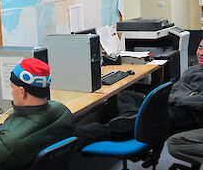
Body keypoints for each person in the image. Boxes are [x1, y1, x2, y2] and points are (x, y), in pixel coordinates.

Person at [75, 39, 203, 147]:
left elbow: (198, 102)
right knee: (126, 95)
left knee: (107, 129)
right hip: (168, 105)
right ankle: (132, 118)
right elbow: (176, 89)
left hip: (186, 113)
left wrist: (169, 99)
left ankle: (79, 136)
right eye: (200, 48)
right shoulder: (192, 69)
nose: (201, 53)